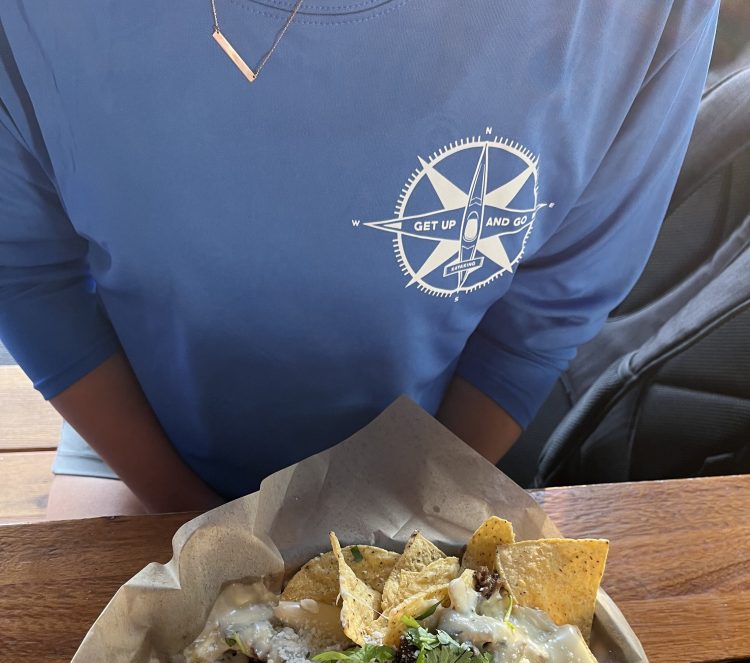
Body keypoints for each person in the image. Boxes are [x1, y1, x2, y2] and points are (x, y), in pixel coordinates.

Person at [0, 0, 719, 517]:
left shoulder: (641, 18)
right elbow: (26, 274)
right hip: (135, 437)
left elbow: (549, 310)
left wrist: (405, 510)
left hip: (433, 453)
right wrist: (181, 508)